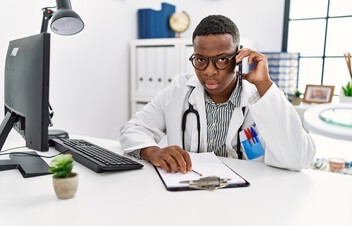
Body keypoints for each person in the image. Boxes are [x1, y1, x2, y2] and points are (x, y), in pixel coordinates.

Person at [119, 15, 315, 173]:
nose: (209, 71)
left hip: (249, 199)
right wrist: (152, 151)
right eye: (200, 59)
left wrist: (264, 84)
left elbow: (298, 158)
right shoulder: (179, 90)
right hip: (189, 192)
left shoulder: (260, 97)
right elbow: (133, 128)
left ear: (238, 56)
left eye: (221, 59)